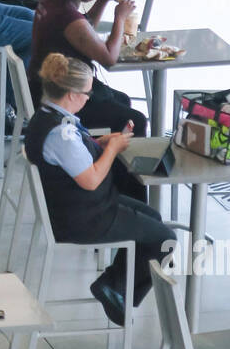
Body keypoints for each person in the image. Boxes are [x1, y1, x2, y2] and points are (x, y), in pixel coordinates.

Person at [25, 54, 174, 326]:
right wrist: (113, 149)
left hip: (76, 208)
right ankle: (116, 289)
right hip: (84, 218)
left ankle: (114, 283)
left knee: (153, 219)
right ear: (70, 94)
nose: (89, 97)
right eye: (86, 92)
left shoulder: (45, 116)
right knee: (166, 240)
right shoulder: (61, 135)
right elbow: (91, 180)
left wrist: (97, 143)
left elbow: (71, 154)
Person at [29, 0, 147, 136]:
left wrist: (104, 0)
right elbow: (109, 58)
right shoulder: (67, 17)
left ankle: (102, 156)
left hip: (45, 85)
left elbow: (85, 26)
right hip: (61, 96)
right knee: (137, 120)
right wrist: (120, 18)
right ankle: (112, 162)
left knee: (123, 100)